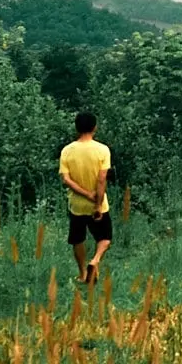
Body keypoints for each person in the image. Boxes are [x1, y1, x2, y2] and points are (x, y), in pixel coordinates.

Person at [58, 111, 112, 283]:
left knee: (77, 239)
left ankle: (82, 274)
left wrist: (85, 194)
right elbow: (102, 179)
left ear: (76, 127)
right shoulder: (102, 150)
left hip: (76, 205)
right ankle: (95, 260)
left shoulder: (67, 151)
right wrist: (96, 203)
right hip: (98, 204)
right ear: (95, 127)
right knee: (105, 238)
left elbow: (66, 179)